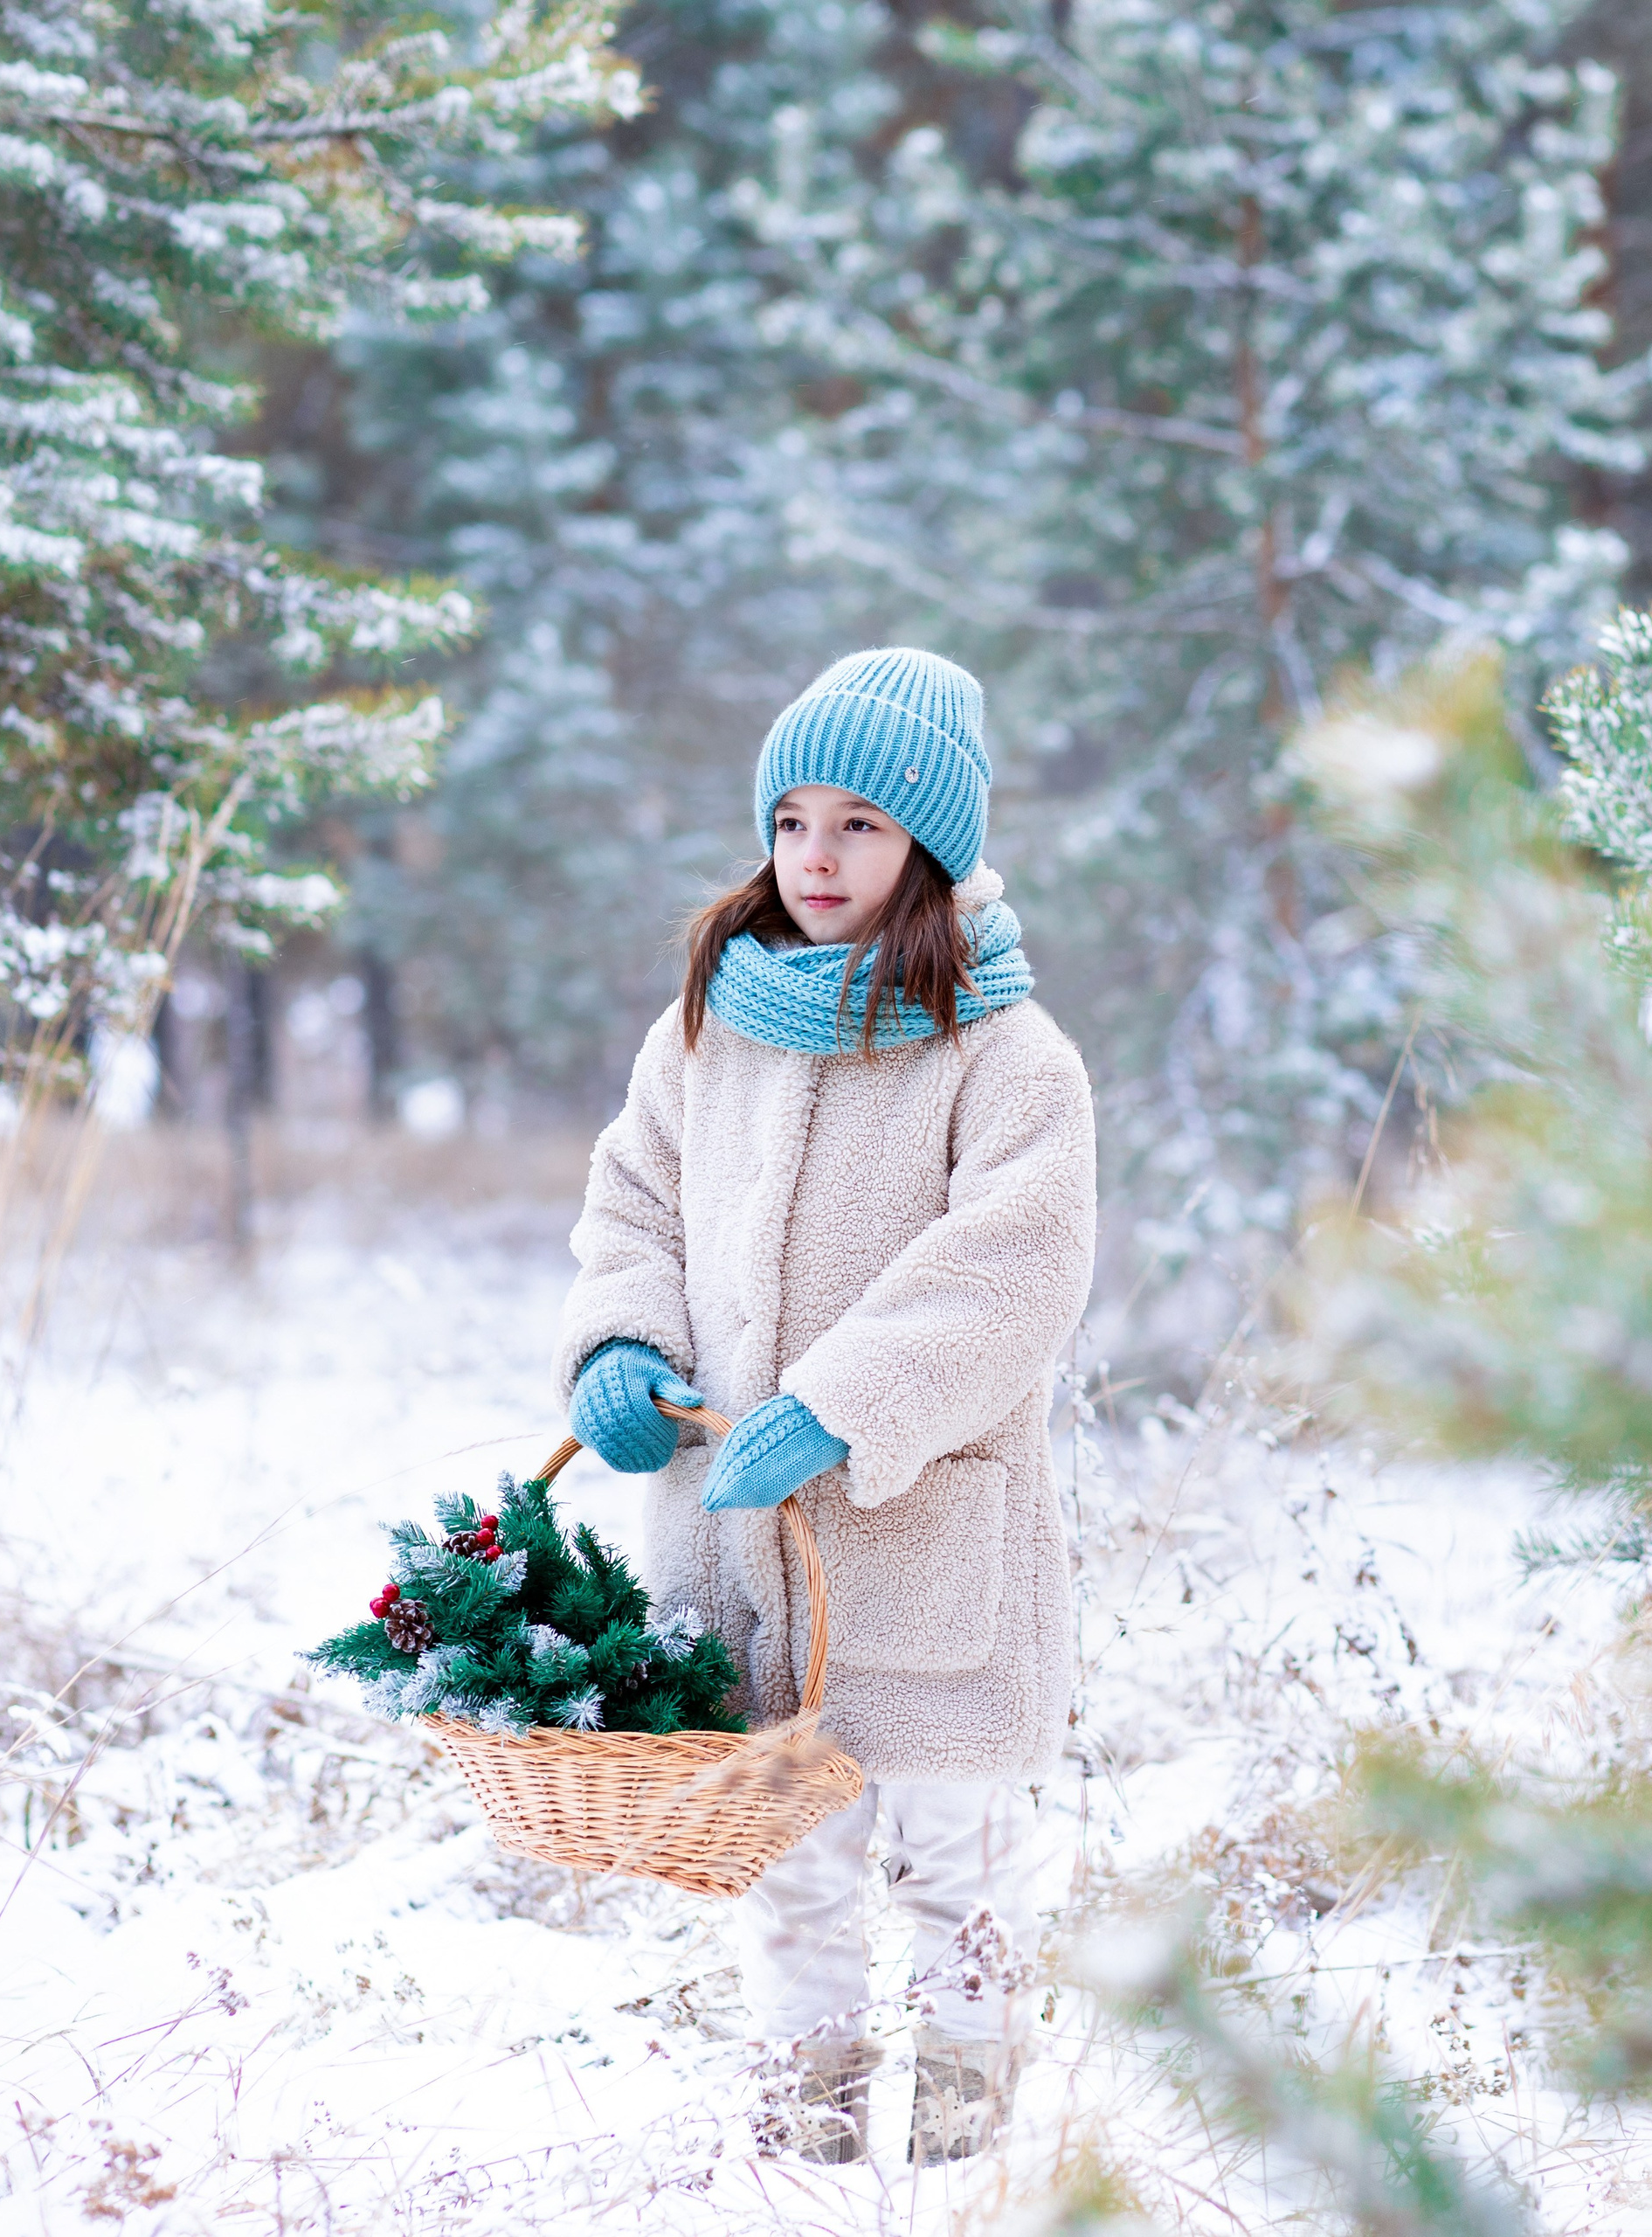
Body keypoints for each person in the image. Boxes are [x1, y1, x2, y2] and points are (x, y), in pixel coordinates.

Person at [551, 648, 1097, 2167]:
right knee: (788, 1862)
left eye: (858, 824)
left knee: (954, 1862)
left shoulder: (1007, 1054)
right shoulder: (709, 1029)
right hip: (739, 1546)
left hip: (925, 1543)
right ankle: (805, 2129)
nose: (816, 857)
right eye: (791, 820)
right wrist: (620, 1344)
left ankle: (969, 2145)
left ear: (931, 842)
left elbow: (1018, 1264)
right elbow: (633, 1202)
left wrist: (850, 1402)